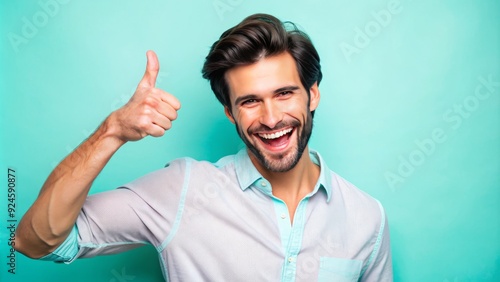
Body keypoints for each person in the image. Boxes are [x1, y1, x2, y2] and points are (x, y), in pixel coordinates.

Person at [15, 13, 392, 281]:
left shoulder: (366, 218)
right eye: (249, 101)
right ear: (229, 113)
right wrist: (112, 131)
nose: (272, 117)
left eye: (284, 94)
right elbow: (35, 242)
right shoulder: (183, 190)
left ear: (312, 95)